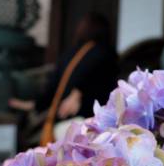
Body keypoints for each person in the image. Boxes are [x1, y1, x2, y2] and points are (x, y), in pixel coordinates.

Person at [9, 12, 119, 144]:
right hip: (93, 123)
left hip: (63, 124)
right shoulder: (106, 53)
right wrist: (79, 92)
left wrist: (33, 104)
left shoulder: (70, 56)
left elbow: (53, 87)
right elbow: (101, 80)